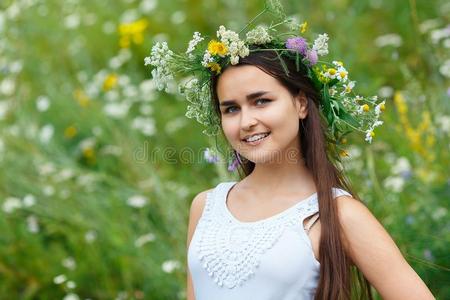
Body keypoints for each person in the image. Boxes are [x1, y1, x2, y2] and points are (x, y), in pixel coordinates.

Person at [144, 2, 436, 299]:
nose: (246, 121)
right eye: (231, 109)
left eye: (261, 101)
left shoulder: (336, 214)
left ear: (300, 103)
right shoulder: (205, 207)